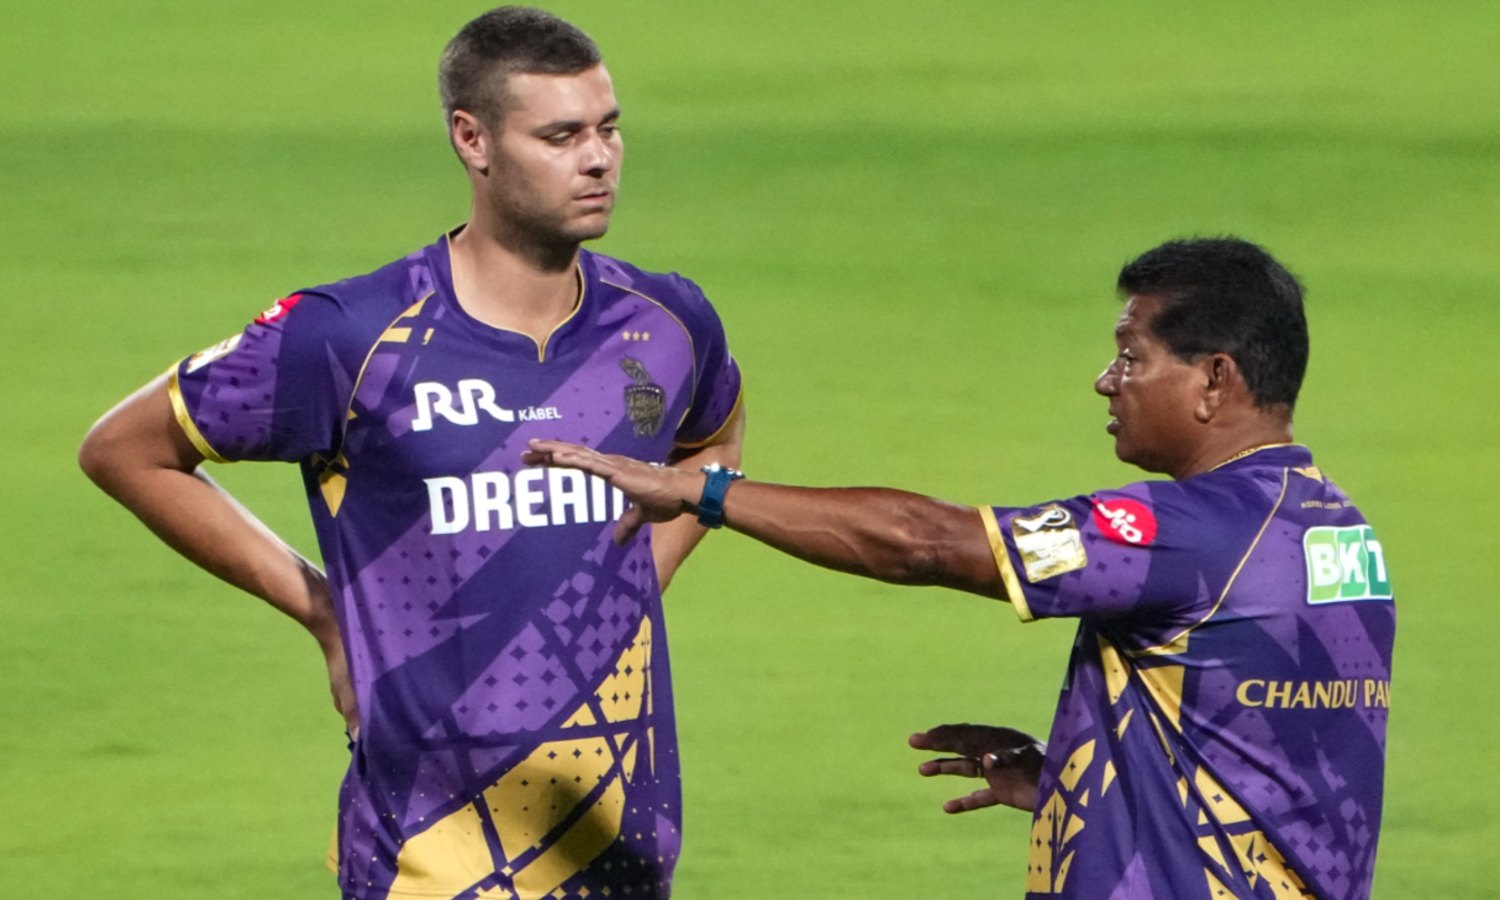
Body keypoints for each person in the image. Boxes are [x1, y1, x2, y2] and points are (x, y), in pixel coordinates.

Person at [78, 7, 744, 899]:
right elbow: (126, 451)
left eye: (608, 128)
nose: (598, 159)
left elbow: (712, 444)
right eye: (560, 136)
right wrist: (326, 614)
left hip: (623, 850)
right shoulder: (351, 336)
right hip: (429, 860)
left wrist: (622, 583)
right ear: (473, 139)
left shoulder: (666, 323)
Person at [524, 238, 1394, 899]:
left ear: (1215, 380)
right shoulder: (1336, 534)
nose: (1107, 381)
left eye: (1132, 357)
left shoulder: (1186, 535)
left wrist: (703, 490)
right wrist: (1079, 784)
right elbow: (1277, 756)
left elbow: (927, 543)